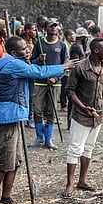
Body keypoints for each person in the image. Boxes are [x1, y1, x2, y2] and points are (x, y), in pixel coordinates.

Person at [0, 36, 76, 204]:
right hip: (5, 118)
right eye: (23, 49)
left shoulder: (7, 64)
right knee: (4, 164)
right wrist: (63, 66)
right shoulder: (14, 64)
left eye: (27, 48)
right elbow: (37, 72)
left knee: (15, 162)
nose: (27, 51)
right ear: (14, 52)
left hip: (13, 116)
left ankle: (6, 200)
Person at [63, 38, 103, 197]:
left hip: (97, 115)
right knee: (75, 149)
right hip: (81, 115)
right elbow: (70, 91)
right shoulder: (80, 67)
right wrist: (83, 107)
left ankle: (82, 180)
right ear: (96, 50)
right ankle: (70, 184)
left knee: (88, 148)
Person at [29, 21, 67, 149]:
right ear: (45, 28)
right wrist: (39, 59)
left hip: (55, 84)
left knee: (51, 111)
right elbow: (31, 62)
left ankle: (48, 139)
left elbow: (65, 65)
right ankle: (39, 137)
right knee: (38, 109)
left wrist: (56, 78)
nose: (53, 28)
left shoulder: (62, 45)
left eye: (55, 26)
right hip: (40, 81)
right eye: (51, 26)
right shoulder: (39, 43)